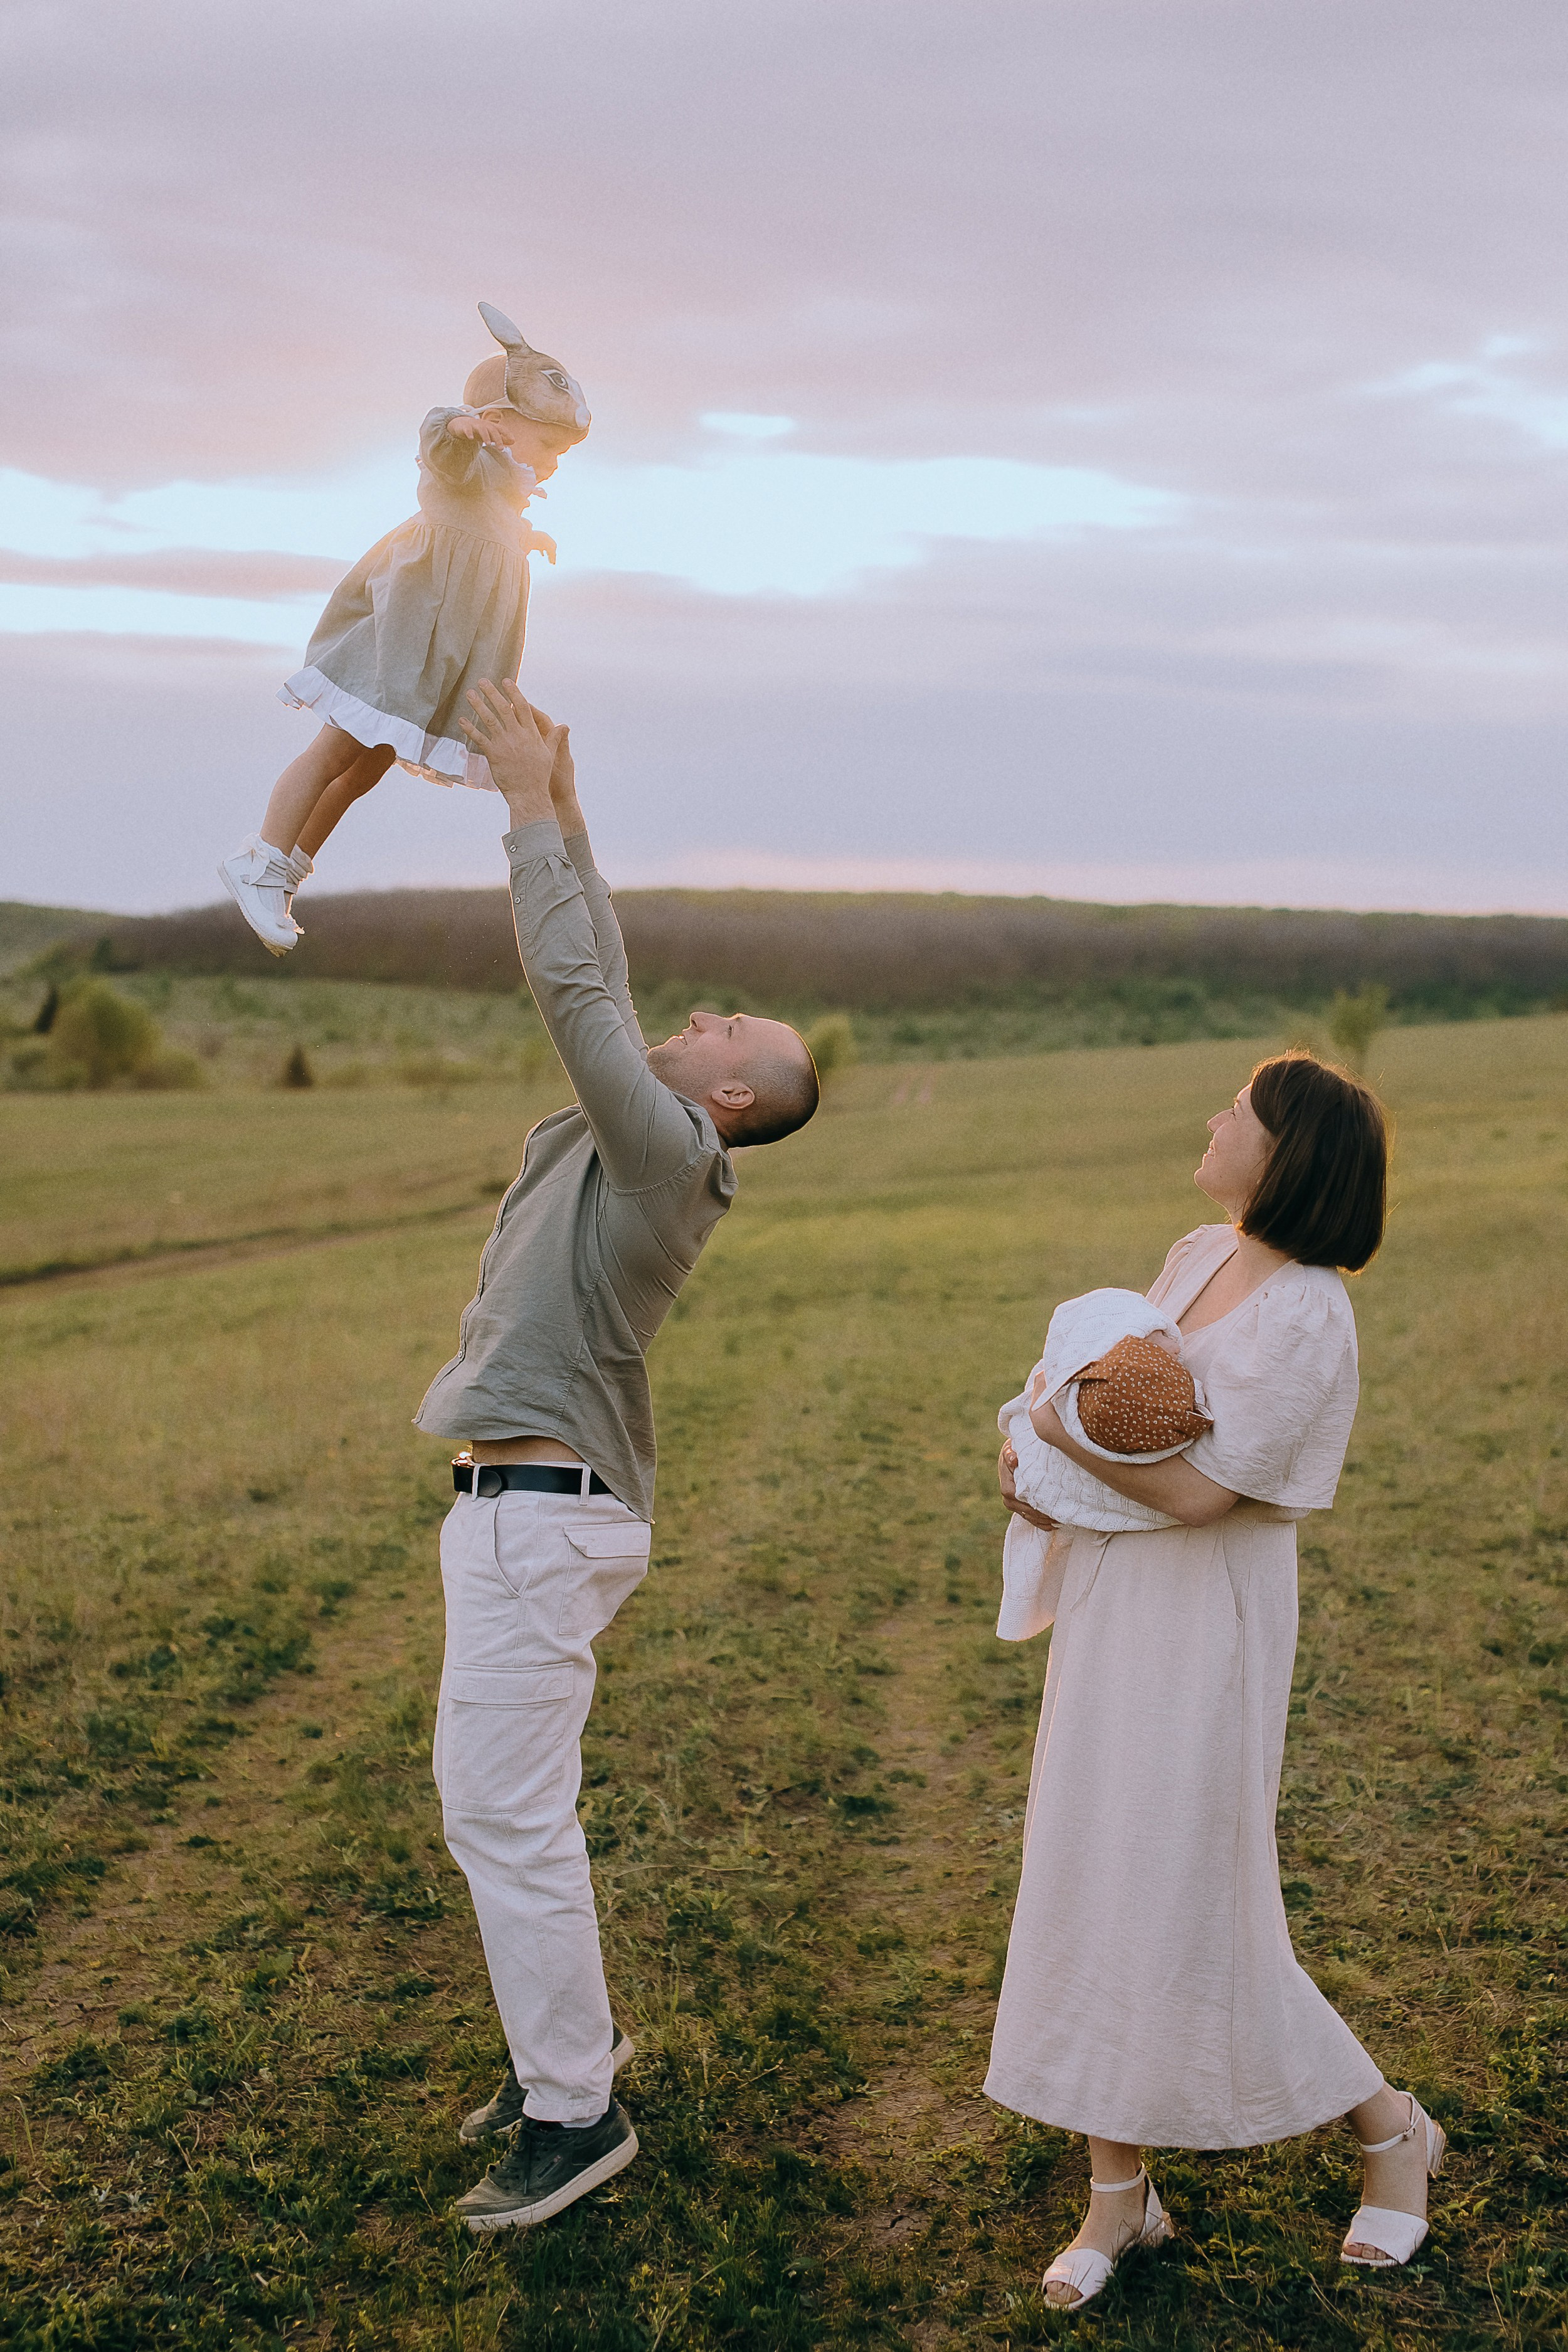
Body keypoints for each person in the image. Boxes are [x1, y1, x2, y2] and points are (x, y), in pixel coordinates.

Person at [412, 681, 819, 2233]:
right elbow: (620, 967)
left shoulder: (670, 1147)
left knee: (504, 1815)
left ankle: (574, 2115)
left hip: (540, 1513)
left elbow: (580, 991)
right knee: (502, 1810)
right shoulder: (661, 1121)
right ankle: (556, 2062)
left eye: (733, 1030)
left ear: (727, 1097)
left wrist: (523, 818)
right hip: (522, 1509)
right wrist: (567, 805)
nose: (707, 1011)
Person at [987, 1055, 1448, 2310]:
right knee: (1089, 1868)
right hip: (1114, 1594)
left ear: (1287, 1151)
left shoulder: (1308, 1312)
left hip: (1210, 1617)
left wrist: (1050, 1440)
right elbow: (1122, 1397)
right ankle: (1117, 2197)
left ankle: (1389, 2131)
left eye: (1234, 1113)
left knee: (1192, 1894)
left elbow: (1200, 1488)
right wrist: (1055, 1462)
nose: (1210, 1120)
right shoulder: (1195, 1251)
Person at [218, 304, 589, 956]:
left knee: (370, 766)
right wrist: (462, 425)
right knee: (335, 751)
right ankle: (261, 856)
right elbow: (438, 442)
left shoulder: (505, 490)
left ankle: (290, 869)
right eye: (550, 444)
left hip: (436, 659)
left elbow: (487, 534)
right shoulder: (467, 457)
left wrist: (528, 536)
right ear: (500, 422)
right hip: (403, 642)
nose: (555, 462)